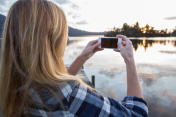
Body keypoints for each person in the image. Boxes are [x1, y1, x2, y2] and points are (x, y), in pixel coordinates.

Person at [0, 0, 148, 117]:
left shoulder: (13, 84)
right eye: (63, 32)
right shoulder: (70, 95)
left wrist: (82, 57)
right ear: (49, 40)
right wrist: (129, 59)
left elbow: (55, 85)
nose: (68, 38)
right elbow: (137, 113)